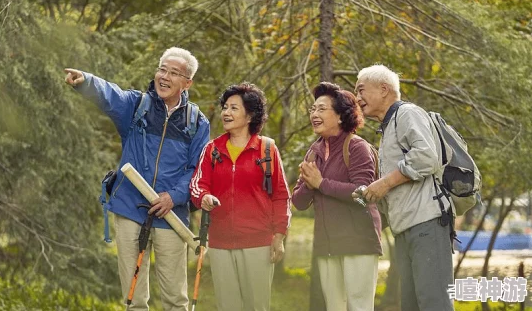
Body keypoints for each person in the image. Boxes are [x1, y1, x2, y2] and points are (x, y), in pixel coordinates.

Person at [64, 47, 210, 311]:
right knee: (134, 299)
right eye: (162, 69)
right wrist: (86, 80)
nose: (164, 76)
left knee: (176, 299)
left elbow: (196, 169)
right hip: (130, 208)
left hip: (172, 217)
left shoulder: (198, 123)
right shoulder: (135, 105)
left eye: (174, 73)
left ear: (187, 83)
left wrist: (173, 197)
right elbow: (110, 95)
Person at [353, 64, 454, 311]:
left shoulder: (407, 113)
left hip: (427, 225)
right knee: (412, 305)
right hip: (406, 230)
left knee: (433, 303)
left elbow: (426, 157)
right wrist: (371, 196)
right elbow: (400, 185)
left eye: (361, 90)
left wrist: (384, 183)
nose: (357, 98)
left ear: (384, 89)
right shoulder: (388, 128)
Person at [189, 82, 291, 311]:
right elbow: (197, 185)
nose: (226, 113)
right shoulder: (212, 149)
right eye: (225, 107)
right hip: (220, 243)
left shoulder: (267, 149)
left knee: (257, 306)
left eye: (234, 108)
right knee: (227, 306)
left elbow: (281, 195)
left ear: (250, 116)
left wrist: (279, 235)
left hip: (258, 242)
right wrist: (203, 197)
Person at [291, 82, 382, 311]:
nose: (314, 114)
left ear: (341, 116)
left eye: (322, 109)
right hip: (327, 244)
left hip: (358, 241)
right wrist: (312, 185)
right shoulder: (314, 151)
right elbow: (299, 202)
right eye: (313, 109)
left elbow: (364, 195)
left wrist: (321, 183)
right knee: (334, 307)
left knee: (360, 306)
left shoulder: (357, 147)